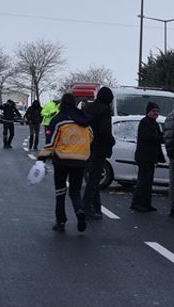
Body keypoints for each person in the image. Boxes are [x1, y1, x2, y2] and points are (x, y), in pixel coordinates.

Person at [38, 93, 93, 232]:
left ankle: (61, 221)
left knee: (60, 190)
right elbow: (91, 137)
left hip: (62, 160)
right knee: (75, 191)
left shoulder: (59, 120)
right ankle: (79, 211)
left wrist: (42, 157)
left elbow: (51, 142)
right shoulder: (84, 120)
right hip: (81, 160)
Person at [81, 86, 116, 218]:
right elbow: (104, 131)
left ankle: (96, 206)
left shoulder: (88, 108)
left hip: (86, 145)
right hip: (99, 147)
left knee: (92, 177)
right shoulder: (104, 110)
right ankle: (86, 207)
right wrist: (111, 141)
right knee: (94, 178)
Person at [131, 102, 164, 212]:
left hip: (150, 157)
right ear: (148, 112)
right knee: (143, 181)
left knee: (148, 181)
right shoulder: (145, 122)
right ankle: (137, 202)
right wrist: (160, 138)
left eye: (157, 111)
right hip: (144, 157)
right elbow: (149, 137)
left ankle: (146, 203)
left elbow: (159, 137)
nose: (156, 113)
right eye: (153, 111)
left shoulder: (154, 123)